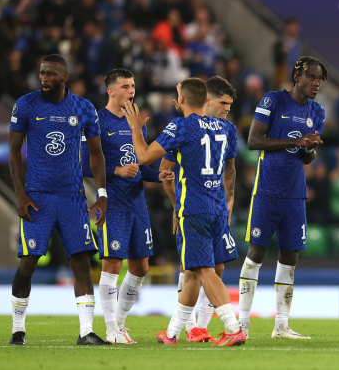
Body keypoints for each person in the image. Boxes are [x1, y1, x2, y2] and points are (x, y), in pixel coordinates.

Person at [122, 78, 245, 347]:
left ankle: (233, 327)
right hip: (217, 207)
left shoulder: (180, 126)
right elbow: (229, 170)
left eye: (178, 96)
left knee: (203, 270)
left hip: (194, 208)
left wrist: (134, 129)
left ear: (184, 100)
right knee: (191, 271)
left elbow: (143, 157)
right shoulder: (227, 128)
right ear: (207, 100)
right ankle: (173, 332)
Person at [8, 54, 110, 345]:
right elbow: (14, 150)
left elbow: (96, 154)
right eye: (42, 73)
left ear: (66, 77)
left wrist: (101, 195)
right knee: (28, 261)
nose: (44, 79)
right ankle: (18, 329)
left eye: (51, 74)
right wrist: (19, 193)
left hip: (73, 197)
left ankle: (86, 332)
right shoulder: (26, 104)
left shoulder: (83, 107)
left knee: (80, 260)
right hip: (37, 196)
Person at [80, 68, 174, 344]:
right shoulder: (96, 120)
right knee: (112, 264)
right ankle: (111, 330)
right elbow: (85, 164)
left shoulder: (138, 123)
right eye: (124, 86)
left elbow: (141, 165)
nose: (131, 90)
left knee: (141, 267)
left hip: (137, 204)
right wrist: (117, 171)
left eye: (132, 85)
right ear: (110, 90)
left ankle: (119, 323)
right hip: (113, 204)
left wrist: (157, 175)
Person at [238, 56, 326, 340]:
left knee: (290, 257)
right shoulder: (273, 100)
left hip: (295, 193)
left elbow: (307, 158)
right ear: (297, 76)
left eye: (319, 80)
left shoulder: (317, 111)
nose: (316, 84)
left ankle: (281, 326)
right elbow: (254, 142)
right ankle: (242, 324)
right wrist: (297, 141)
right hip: (267, 190)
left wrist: (310, 148)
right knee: (256, 254)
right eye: (312, 77)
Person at [160, 75, 238, 343]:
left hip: (212, 208)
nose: (227, 108)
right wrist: (175, 206)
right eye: (223, 103)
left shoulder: (226, 130)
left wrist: (230, 198)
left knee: (210, 268)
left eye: (230, 104)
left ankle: (183, 330)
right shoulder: (188, 128)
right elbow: (165, 170)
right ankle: (191, 328)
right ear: (207, 101)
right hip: (193, 207)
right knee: (193, 267)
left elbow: (230, 168)